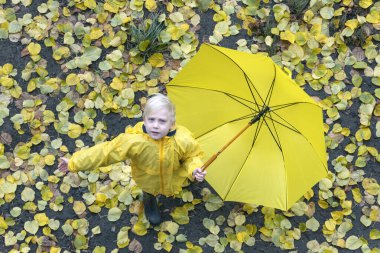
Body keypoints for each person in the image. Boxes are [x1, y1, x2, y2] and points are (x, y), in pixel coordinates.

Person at [58, 93, 206, 225]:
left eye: (162, 121)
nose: (155, 125)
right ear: (145, 119)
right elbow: (105, 152)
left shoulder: (182, 139)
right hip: (148, 179)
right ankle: (149, 200)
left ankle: (177, 185)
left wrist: (194, 168)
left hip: (174, 175)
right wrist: (74, 162)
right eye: (151, 119)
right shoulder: (133, 141)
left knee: (180, 182)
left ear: (172, 123)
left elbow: (192, 156)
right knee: (149, 191)